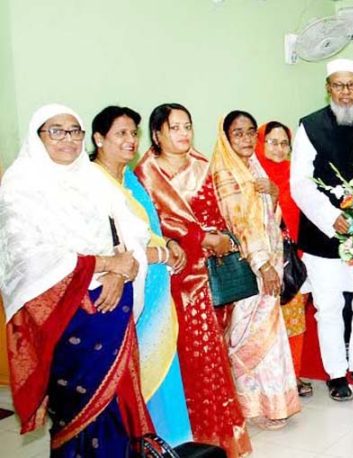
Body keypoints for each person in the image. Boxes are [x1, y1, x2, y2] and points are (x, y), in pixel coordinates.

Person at [0, 104, 154, 455]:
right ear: (37, 137)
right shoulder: (21, 184)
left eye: (74, 131)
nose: (68, 140)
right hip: (64, 315)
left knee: (118, 401)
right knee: (77, 405)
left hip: (112, 305)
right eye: (56, 131)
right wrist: (105, 263)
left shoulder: (92, 180)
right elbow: (27, 256)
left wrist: (120, 268)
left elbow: (131, 234)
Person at [135, 103, 251, 456]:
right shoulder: (146, 174)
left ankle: (217, 432)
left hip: (212, 274)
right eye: (175, 127)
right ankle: (188, 433)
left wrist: (223, 239)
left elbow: (222, 213)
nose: (184, 133)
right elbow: (155, 226)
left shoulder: (203, 165)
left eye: (188, 126)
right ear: (157, 134)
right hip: (174, 279)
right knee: (186, 358)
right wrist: (201, 239)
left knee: (213, 356)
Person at [89, 105, 193, 446]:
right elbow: (111, 248)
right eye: (121, 133)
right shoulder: (92, 184)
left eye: (134, 133)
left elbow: (147, 230)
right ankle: (143, 443)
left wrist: (169, 243)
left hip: (155, 293)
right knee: (133, 374)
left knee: (163, 368)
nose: (130, 140)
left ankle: (169, 443)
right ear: (99, 138)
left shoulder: (129, 179)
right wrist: (161, 253)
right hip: (123, 296)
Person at [291, 58, 353, 401]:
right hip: (323, 233)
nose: (346, 93)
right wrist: (331, 217)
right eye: (338, 85)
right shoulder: (310, 126)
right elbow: (299, 183)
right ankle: (335, 374)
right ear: (328, 88)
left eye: (352, 85)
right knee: (328, 306)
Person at [212, 111, 302, 429]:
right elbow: (240, 225)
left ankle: (273, 403)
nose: (247, 139)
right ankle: (254, 406)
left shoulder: (253, 167)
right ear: (226, 137)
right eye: (238, 134)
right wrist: (263, 266)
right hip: (251, 266)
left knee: (269, 334)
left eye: (251, 133)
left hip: (269, 261)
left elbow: (269, 218)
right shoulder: (226, 174)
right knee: (250, 334)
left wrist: (273, 194)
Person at [254, 120, 313, 398]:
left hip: (290, 262)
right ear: (260, 143)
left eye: (284, 143)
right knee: (264, 325)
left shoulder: (295, 175)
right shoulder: (251, 176)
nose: (279, 149)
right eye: (272, 142)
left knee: (294, 322)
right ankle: (267, 382)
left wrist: (278, 197)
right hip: (259, 263)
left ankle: (295, 377)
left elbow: (300, 219)